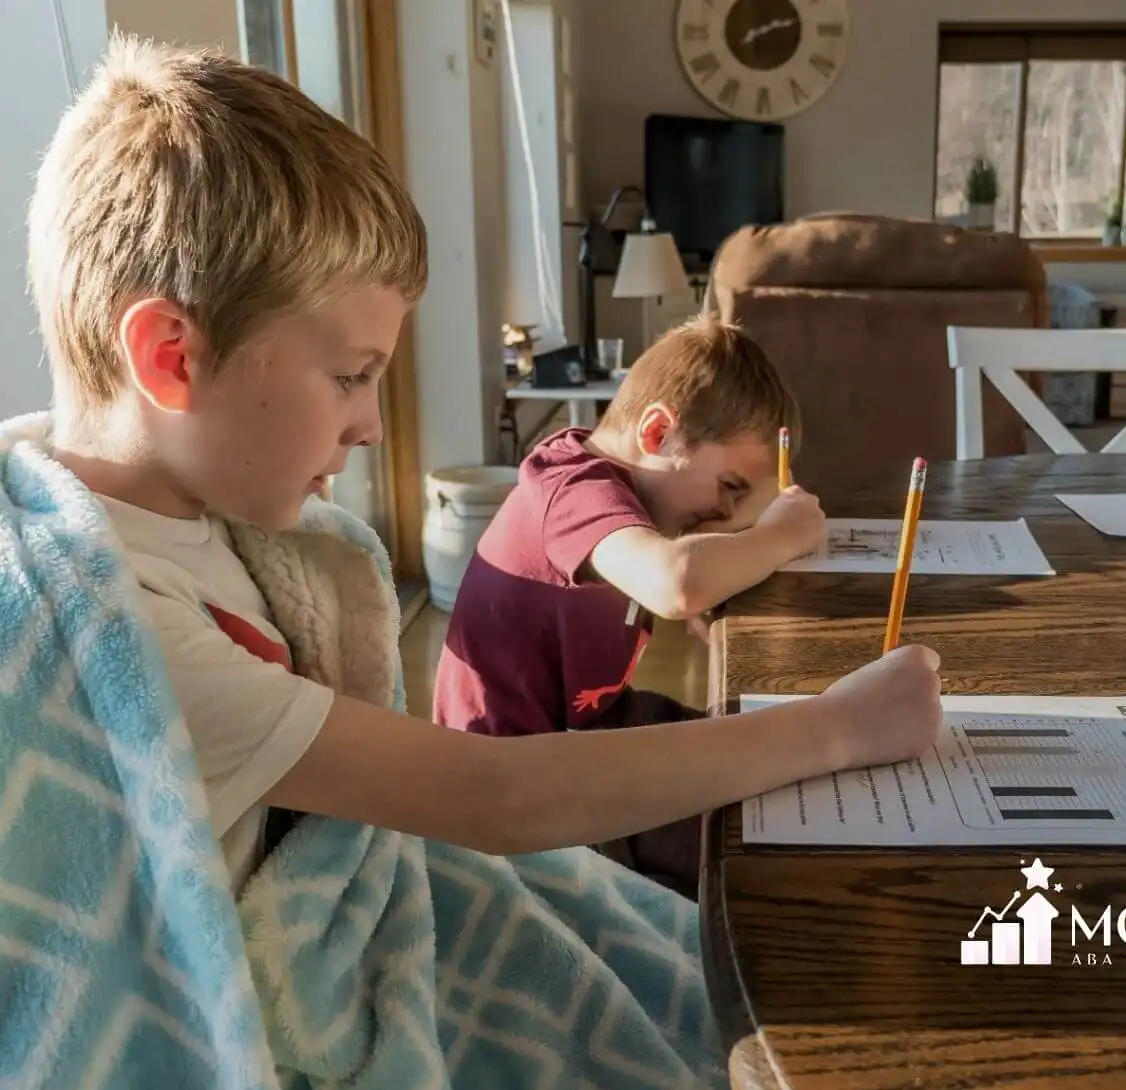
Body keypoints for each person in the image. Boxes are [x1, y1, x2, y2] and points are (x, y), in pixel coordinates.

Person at [28, 37, 944, 900]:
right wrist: (840, 727)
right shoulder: (124, 633)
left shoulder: (197, 518)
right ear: (172, 358)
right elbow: (492, 799)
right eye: (351, 377)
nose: (372, 431)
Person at [433, 316, 825, 895]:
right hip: (513, 789)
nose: (728, 519)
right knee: (747, 841)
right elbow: (677, 583)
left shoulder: (631, 494)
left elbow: (684, 580)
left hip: (589, 731)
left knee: (765, 769)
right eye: (730, 489)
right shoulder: (571, 489)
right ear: (657, 431)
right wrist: (778, 537)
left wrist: (731, 561)